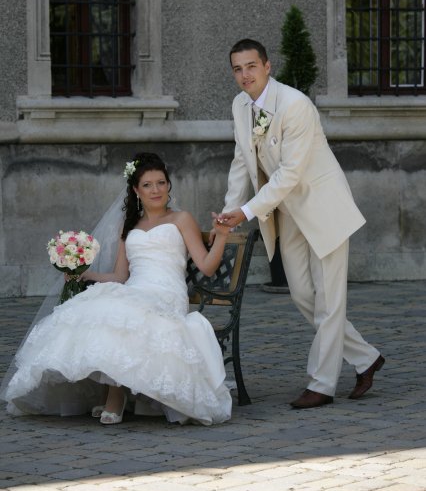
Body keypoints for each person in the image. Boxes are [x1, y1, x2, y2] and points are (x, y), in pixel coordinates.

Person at [1, 152, 232, 425]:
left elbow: (206, 266)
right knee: (98, 307)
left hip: (165, 294)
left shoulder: (181, 219)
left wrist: (222, 236)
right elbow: (120, 276)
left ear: (169, 185)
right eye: (147, 185)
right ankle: (112, 391)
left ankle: (115, 396)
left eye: (161, 183)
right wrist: (87, 274)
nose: (156, 190)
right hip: (134, 290)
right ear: (136, 190)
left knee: (124, 311)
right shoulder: (129, 225)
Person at [218, 38, 384, 409]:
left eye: (251, 66)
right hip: (287, 212)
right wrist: (230, 213)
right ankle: (366, 357)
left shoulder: (295, 104)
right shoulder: (240, 105)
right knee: (302, 295)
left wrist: (247, 211)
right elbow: (242, 161)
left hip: (323, 209)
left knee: (329, 300)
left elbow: (289, 174)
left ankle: (321, 384)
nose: (245, 75)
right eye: (237, 69)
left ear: (267, 66)